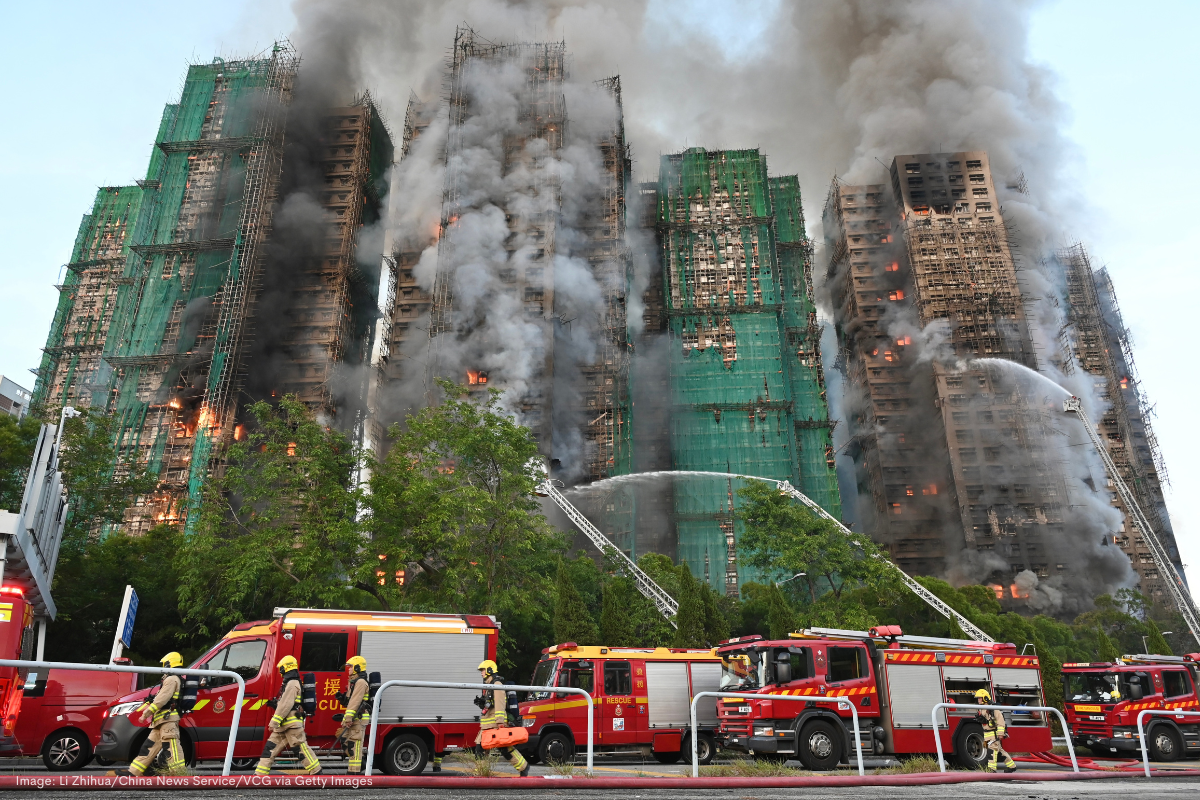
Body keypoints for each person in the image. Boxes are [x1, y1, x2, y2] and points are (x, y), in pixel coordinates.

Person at [255, 655, 321, 775]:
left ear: (286, 668)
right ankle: (259, 776)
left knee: (301, 749)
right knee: (269, 749)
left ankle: (317, 772)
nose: (280, 671)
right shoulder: (289, 683)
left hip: (291, 726)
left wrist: (273, 722)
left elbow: (285, 705)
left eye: (281, 668)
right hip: (283, 726)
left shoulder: (292, 683)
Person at [127, 652, 187, 777]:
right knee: (148, 748)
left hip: (168, 720)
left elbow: (161, 700)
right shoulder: (171, 678)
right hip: (160, 721)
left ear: (170, 663)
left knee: (172, 747)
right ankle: (133, 773)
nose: (163, 667)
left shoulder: (171, 679)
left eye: (165, 664)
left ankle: (179, 776)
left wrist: (145, 714)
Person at [474, 659, 529, 777]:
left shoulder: (497, 685)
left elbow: (500, 704)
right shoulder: (491, 685)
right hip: (489, 724)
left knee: (484, 749)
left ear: (489, 670)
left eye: (483, 670)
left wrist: (500, 723)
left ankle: (481, 774)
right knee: (500, 749)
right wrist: (482, 703)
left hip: (494, 724)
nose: (481, 673)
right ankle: (523, 766)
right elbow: (491, 705)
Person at [335, 656, 370, 774]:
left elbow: (355, 702)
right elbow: (350, 701)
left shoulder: (360, 682)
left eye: (350, 667)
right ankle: (362, 763)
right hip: (354, 719)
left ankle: (354, 772)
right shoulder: (353, 682)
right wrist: (342, 699)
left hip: (358, 720)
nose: (348, 669)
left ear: (357, 668)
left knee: (355, 746)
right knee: (346, 742)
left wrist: (348, 718)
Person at [975, 688, 1016, 773]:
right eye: (978, 698)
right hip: (987, 735)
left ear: (985, 698)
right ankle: (1012, 766)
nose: (978, 700)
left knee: (991, 751)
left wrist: (1001, 733)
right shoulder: (981, 708)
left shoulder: (993, 709)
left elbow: (1001, 721)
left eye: (980, 698)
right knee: (1000, 753)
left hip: (993, 735)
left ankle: (991, 769)